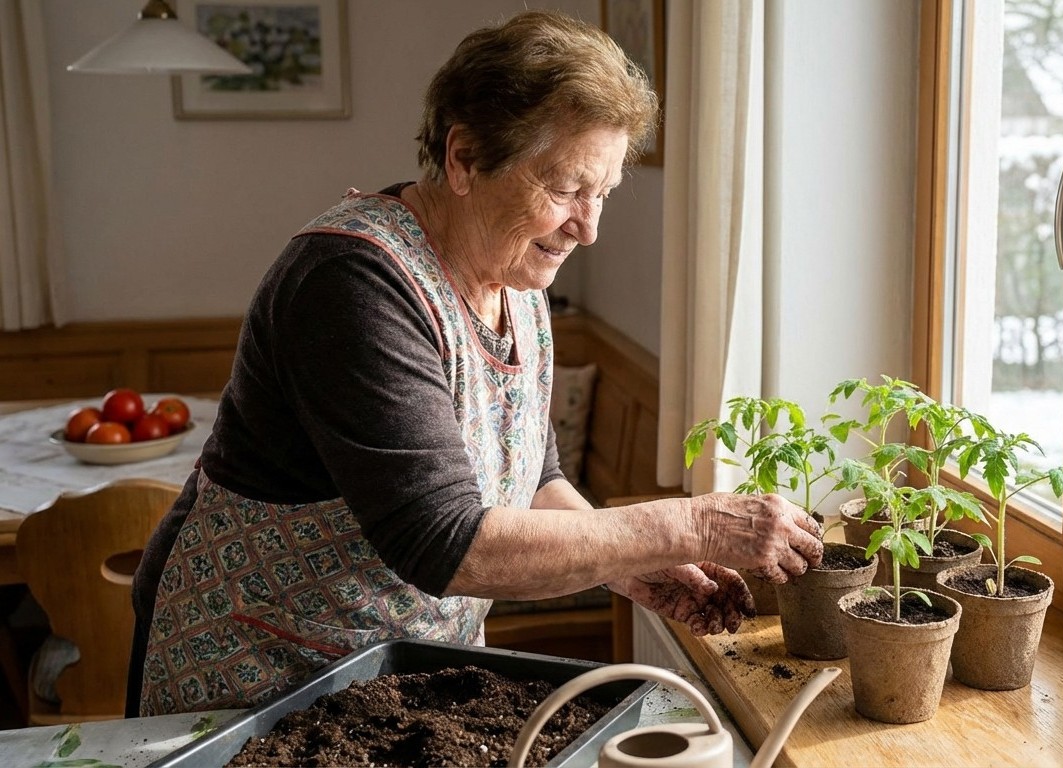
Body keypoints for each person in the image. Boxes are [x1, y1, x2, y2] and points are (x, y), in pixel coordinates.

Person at [127, 10, 823, 718]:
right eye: (564, 189)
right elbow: (445, 540)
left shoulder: (512, 276)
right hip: (265, 671)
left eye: (603, 192)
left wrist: (632, 566)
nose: (589, 228)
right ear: (463, 159)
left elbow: (531, 479)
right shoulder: (352, 281)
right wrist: (692, 526)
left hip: (394, 677)